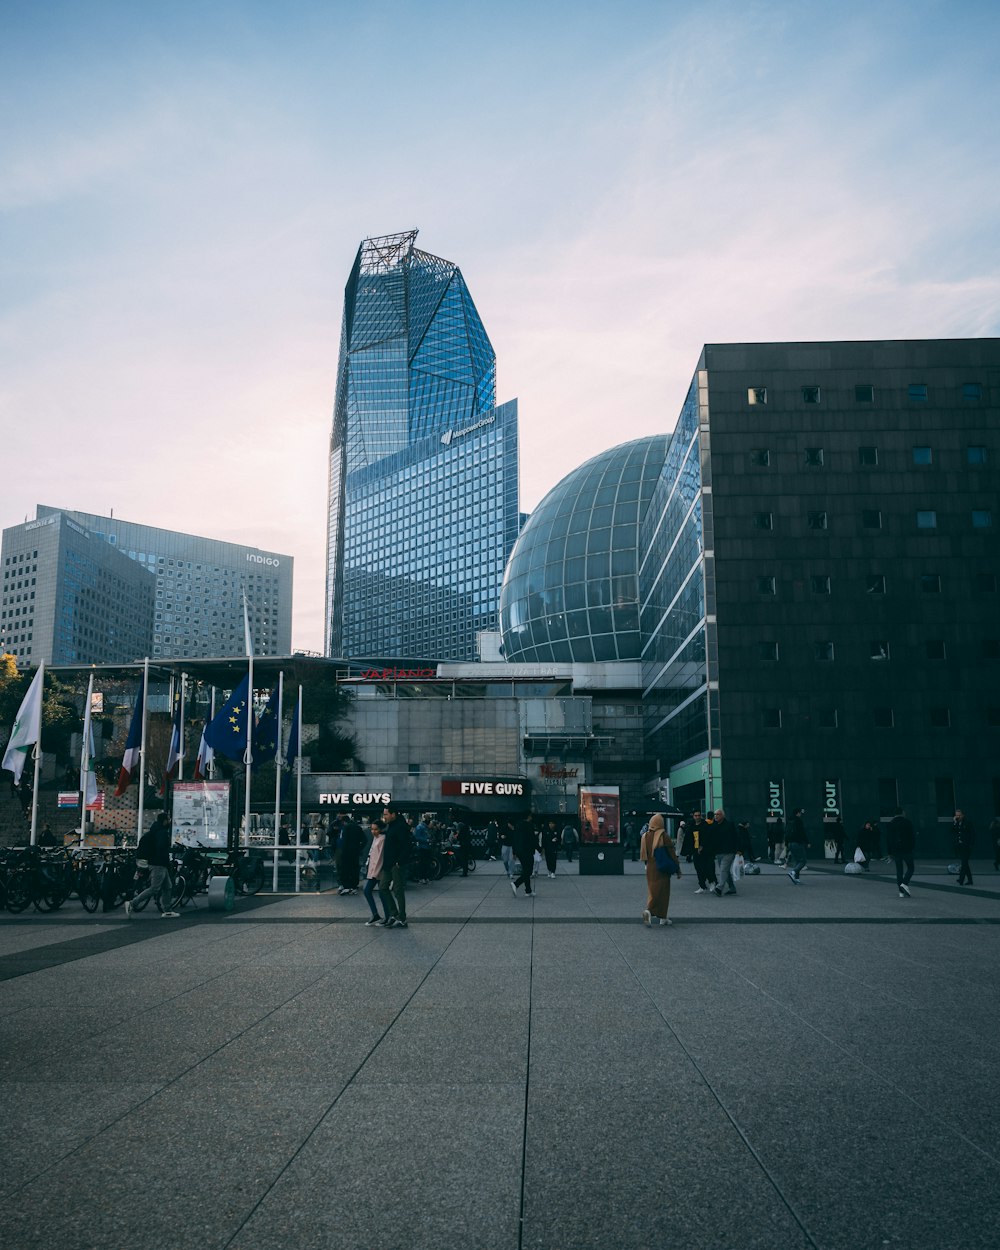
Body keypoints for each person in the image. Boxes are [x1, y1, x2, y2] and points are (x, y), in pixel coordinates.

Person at [125, 813, 178, 918]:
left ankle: (167, 910)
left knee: (167, 886)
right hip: (158, 864)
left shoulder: (154, 830)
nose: (170, 821)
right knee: (155, 888)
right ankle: (132, 903)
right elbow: (161, 849)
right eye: (169, 819)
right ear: (165, 821)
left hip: (154, 862)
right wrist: (166, 862)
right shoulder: (162, 832)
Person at [640, 812, 680, 926]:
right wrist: (678, 869)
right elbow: (672, 853)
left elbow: (644, 854)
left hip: (650, 867)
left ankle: (663, 916)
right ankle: (651, 911)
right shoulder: (663, 836)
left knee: (653, 891)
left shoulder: (645, 836)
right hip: (662, 867)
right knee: (663, 892)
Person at [380, 804, 411, 927]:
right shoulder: (392, 826)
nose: (384, 817)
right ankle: (394, 913)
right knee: (383, 887)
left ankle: (402, 918)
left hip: (396, 864)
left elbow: (407, 846)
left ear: (393, 814)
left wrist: (399, 862)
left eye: (386, 814)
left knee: (398, 890)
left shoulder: (400, 827)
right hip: (388, 864)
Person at [886, 806, 916, 897]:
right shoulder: (907, 822)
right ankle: (905, 883)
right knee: (910, 868)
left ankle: (901, 892)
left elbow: (888, 839)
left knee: (899, 870)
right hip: (906, 849)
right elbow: (912, 837)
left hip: (895, 850)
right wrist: (912, 847)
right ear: (902, 813)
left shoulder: (890, 824)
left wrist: (890, 852)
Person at [711, 808, 740, 896]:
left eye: (718, 814)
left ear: (723, 816)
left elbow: (736, 837)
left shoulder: (729, 825)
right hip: (719, 852)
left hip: (729, 851)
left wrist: (738, 850)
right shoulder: (714, 825)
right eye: (715, 814)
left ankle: (719, 888)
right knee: (725, 871)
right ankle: (732, 887)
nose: (716, 816)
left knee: (723, 869)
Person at [363, 819, 387, 925]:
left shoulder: (382, 839)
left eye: (376, 829)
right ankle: (378, 914)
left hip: (378, 871)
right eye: (372, 829)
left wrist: (374, 873)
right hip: (374, 870)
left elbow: (380, 857)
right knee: (373, 892)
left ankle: (384, 915)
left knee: (378, 893)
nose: (373, 831)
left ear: (381, 829)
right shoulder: (376, 838)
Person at [691, 811, 716, 893]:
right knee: (698, 868)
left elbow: (708, 837)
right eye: (696, 815)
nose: (697, 817)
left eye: (699, 815)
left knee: (708, 867)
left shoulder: (705, 825)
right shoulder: (692, 826)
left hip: (706, 850)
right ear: (693, 816)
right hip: (695, 849)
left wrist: (702, 845)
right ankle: (702, 886)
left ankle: (712, 882)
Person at [510, 819, 536, 896]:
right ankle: (516, 883)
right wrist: (538, 848)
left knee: (526, 870)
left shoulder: (517, 828)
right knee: (528, 871)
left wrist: (514, 852)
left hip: (520, 852)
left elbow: (514, 841)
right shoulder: (529, 826)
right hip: (528, 852)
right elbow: (533, 839)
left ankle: (528, 890)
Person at [953, 809, 976, 887]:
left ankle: (961, 879)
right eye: (956, 815)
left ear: (963, 815)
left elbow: (972, 834)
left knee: (964, 863)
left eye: (959, 815)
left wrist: (971, 844)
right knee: (965, 863)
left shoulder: (968, 823)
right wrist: (955, 823)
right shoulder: (957, 823)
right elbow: (952, 831)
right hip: (960, 846)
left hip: (966, 846)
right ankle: (970, 880)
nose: (958, 817)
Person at [786, 808, 809, 884]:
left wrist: (787, 843)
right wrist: (807, 842)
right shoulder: (798, 821)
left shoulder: (789, 821)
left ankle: (797, 879)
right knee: (803, 860)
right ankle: (793, 872)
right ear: (797, 813)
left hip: (790, 843)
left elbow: (786, 832)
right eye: (800, 813)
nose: (801, 814)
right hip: (798, 842)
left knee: (797, 861)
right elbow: (802, 832)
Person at [412, 814, 432, 883]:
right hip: (422, 847)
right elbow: (417, 837)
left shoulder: (425, 827)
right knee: (422, 863)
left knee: (426, 863)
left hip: (427, 847)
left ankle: (425, 877)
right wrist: (426, 840)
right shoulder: (420, 827)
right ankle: (422, 877)